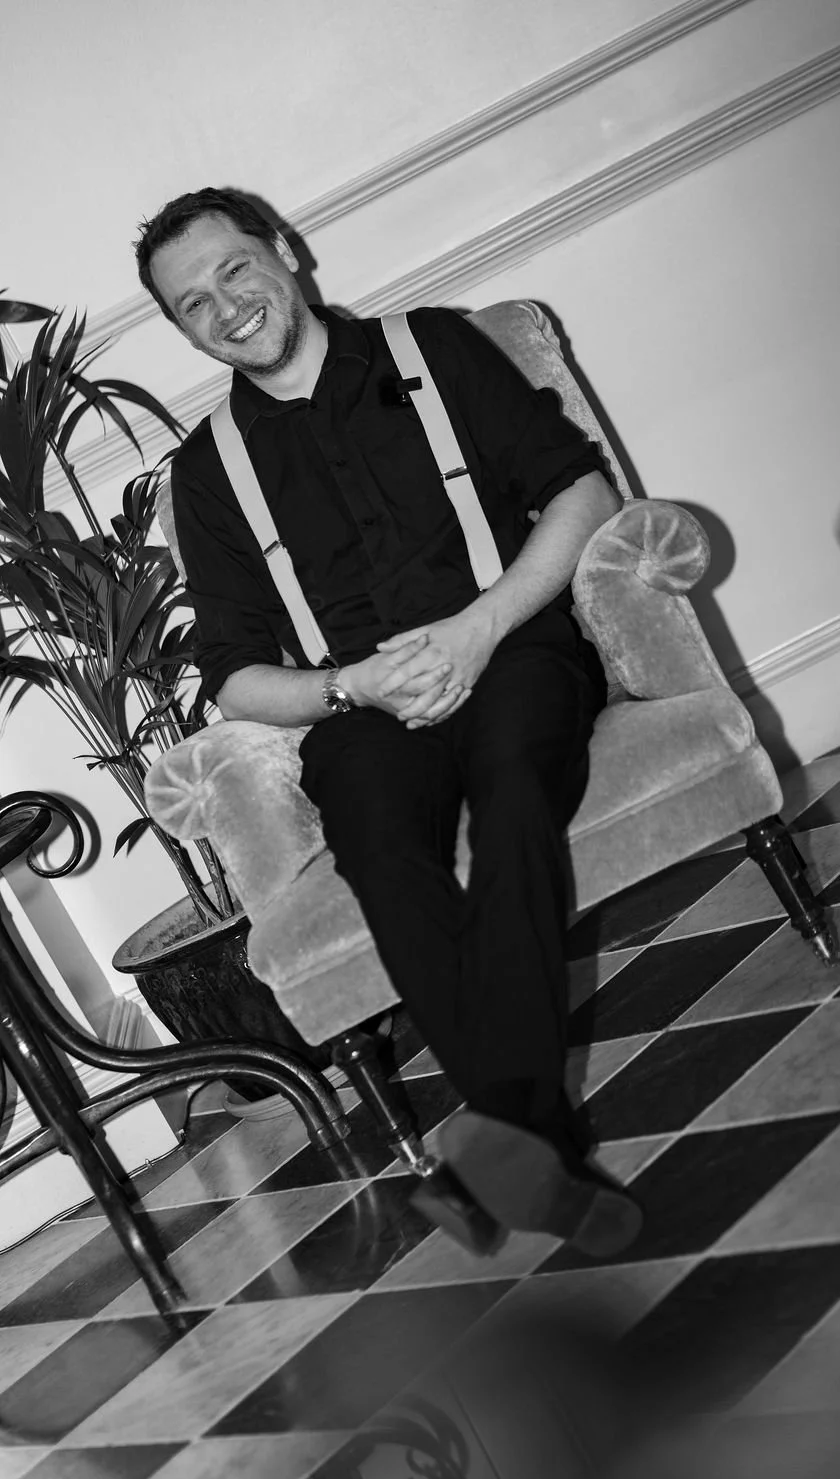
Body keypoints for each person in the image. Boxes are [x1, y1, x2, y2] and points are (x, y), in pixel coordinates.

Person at [134, 187, 642, 1255]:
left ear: (284, 252)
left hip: (510, 647)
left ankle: (506, 1143)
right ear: (183, 330)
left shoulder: (438, 349)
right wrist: (352, 687)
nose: (225, 306)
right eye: (192, 304)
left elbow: (578, 492)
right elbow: (231, 674)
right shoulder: (207, 470)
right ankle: (523, 1148)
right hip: (359, 705)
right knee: (378, 846)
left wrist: (478, 628)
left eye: (235, 270)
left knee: (513, 802)